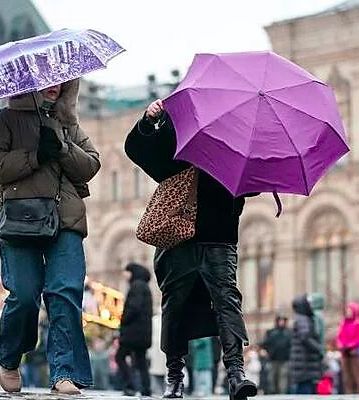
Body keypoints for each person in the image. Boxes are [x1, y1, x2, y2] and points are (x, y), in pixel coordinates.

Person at [124, 99, 258, 400]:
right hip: (180, 238)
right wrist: (149, 121)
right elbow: (142, 152)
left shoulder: (238, 138)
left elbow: (250, 186)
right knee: (176, 305)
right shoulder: (181, 129)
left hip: (220, 236)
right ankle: (174, 377)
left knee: (227, 301)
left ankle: (236, 374)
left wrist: (247, 167)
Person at [0, 80, 100, 394]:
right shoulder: (7, 120)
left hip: (64, 218)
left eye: (61, 81)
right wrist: (34, 155)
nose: (54, 87)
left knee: (65, 291)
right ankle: (9, 358)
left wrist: (61, 147)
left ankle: (64, 372)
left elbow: (91, 165)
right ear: (30, 84)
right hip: (20, 217)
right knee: (23, 293)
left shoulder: (68, 123)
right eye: (47, 81)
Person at [116, 263, 153, 397]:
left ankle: (130, 385)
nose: (124, 274)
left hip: (133, 332)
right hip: (142, 333)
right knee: (141, 361)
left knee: (119, 357)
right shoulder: (144, 287)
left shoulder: (136, 286)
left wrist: (123, 320)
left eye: (127, 271)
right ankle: (145, 388)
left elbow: (133, 308)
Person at [289, 295, 324, 395]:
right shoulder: (303, 319)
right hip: (305, 363)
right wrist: (319, 349)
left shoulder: (301, 318)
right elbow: (305, 338)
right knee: (305, 391)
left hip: (303, 364)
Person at [336, 302, 359, 394]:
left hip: (354, 353)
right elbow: (340, 336)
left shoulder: (358, 323)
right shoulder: (343, 323)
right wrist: (341, 345)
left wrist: (351, 345)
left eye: (350, 310)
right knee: (347, 378)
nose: (348, 312)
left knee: (357, 377)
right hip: (345, 353)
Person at [261, 316, 291, 394]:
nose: (281, 322)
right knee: (272, 379)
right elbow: (265, 343)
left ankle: (282, 394)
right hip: (273, 359)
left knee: (283, 379)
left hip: (284, 360)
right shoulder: (271, 332)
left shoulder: (288, 333)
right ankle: (273, 393)